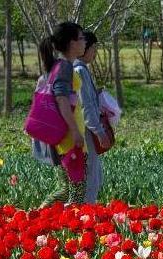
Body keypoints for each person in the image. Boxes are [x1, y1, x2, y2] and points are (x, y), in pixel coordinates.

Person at [37, 22, 87, 206]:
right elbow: (61, 99)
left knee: (67, 188)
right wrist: (75, 132)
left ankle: (38, 218)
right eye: (81, 38)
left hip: (65, 138)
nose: (84, 42)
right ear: (71, 43)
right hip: (69, 139)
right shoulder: (64, 67)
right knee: (76, 192)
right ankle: (42, 218)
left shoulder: (59, 66)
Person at [75, 31, 109, 204]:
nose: (95, 53)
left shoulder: (80, 69)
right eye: (93, 48)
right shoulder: (79, 70)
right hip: (86, 132)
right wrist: (99, 131)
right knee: (91, 178)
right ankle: (85, 217)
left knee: (89, 177)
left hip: (82, 130)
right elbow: (86, 106)